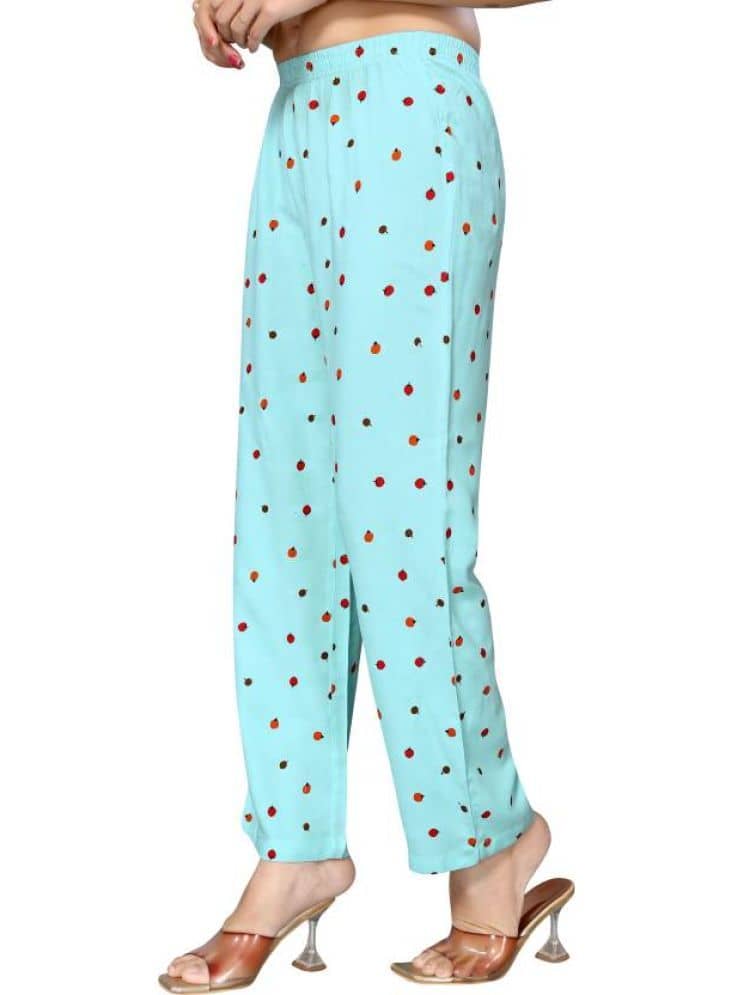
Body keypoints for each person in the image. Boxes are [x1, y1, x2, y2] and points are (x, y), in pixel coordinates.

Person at [160, 0, 572, 988]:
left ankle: (492, 843)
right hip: (297, 113)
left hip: (407, 105)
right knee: (285, 517)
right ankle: (296, 843)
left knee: (404, 521)